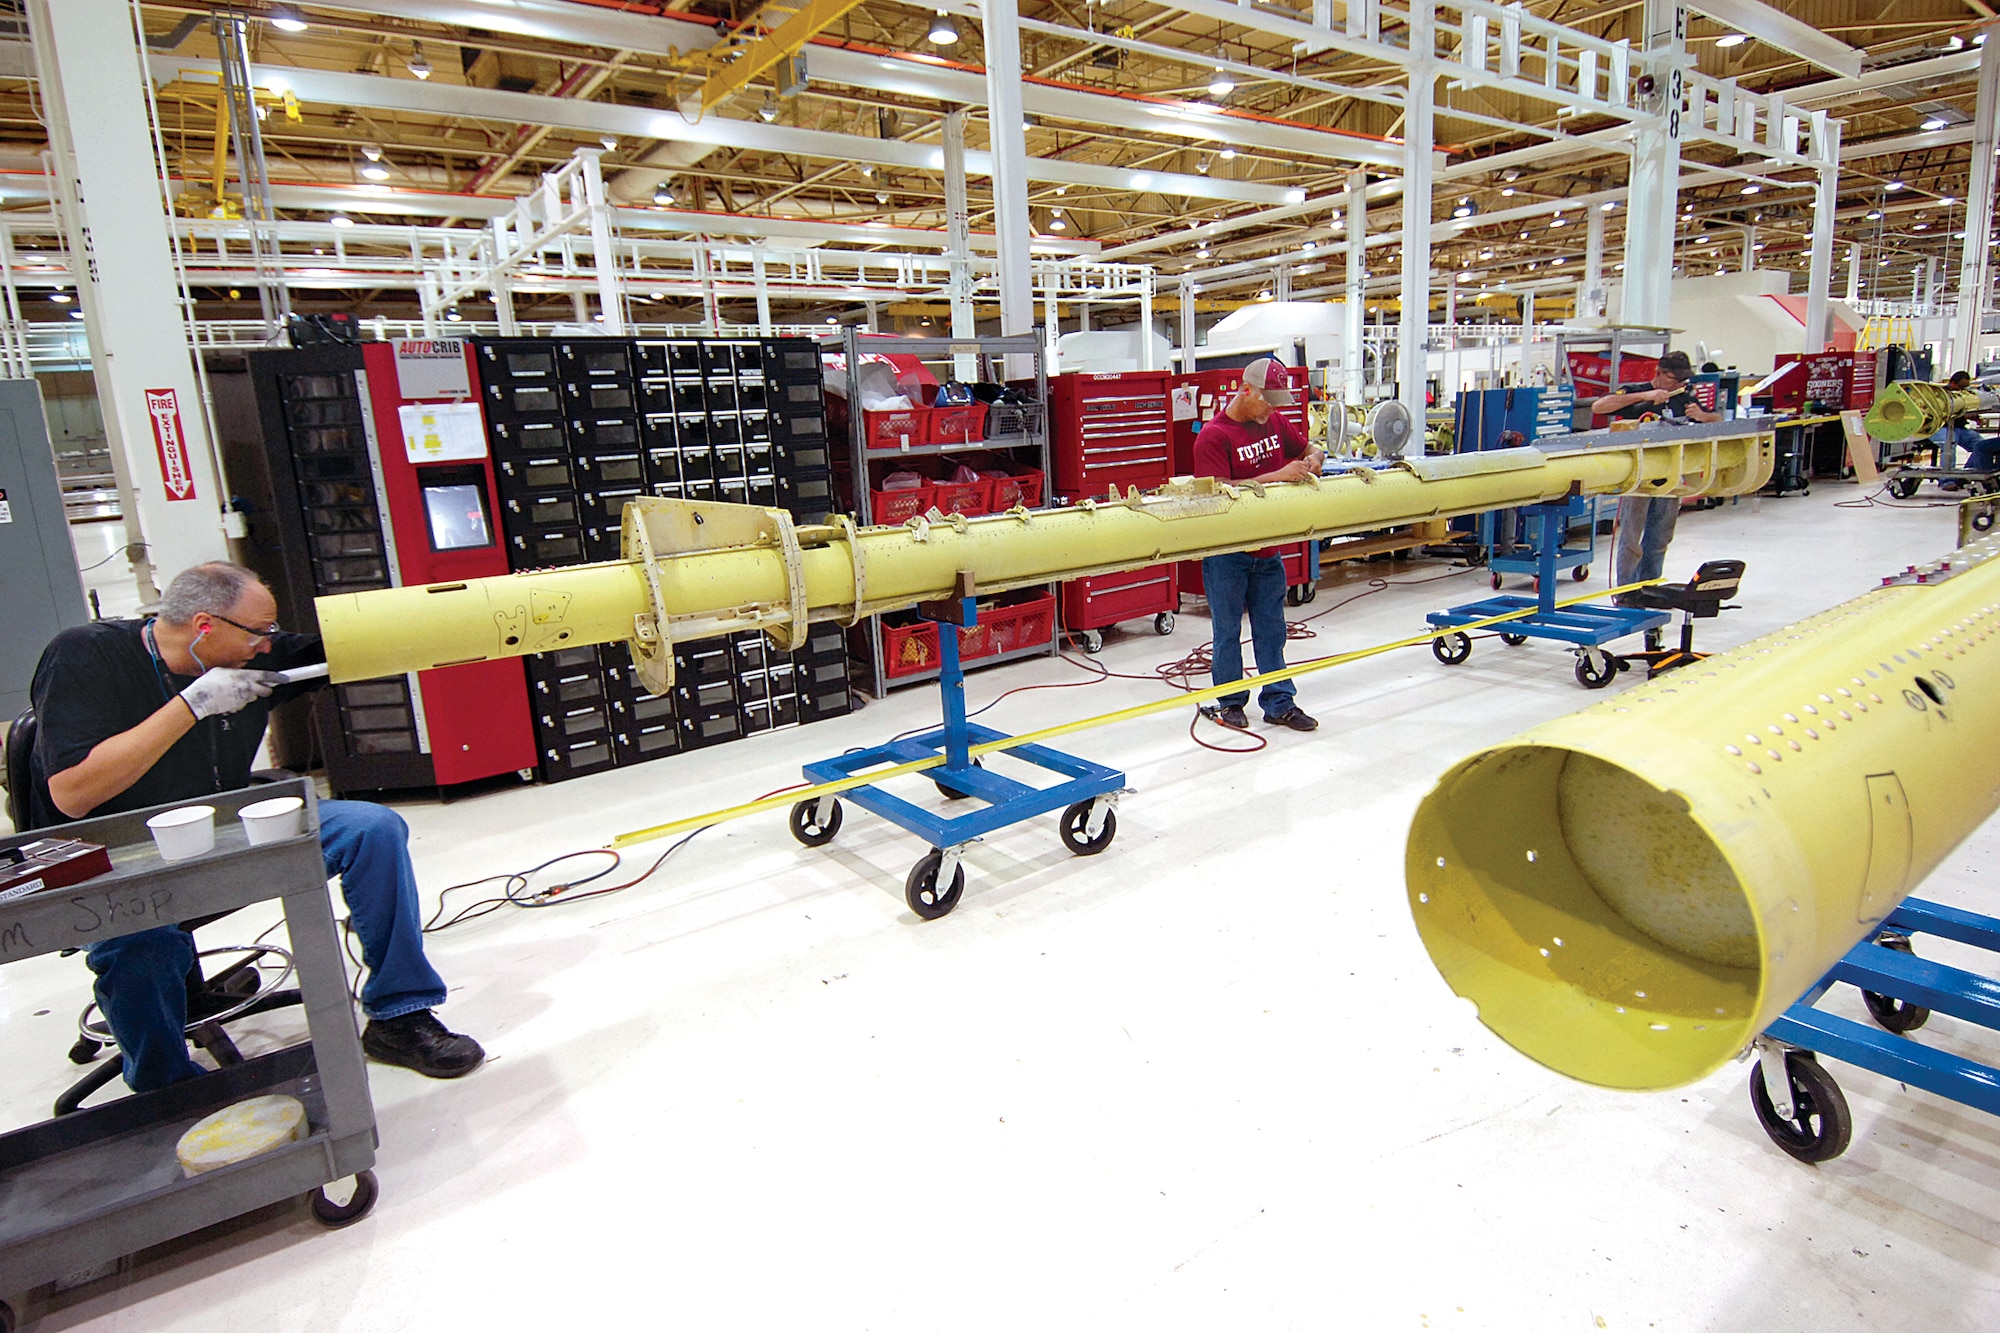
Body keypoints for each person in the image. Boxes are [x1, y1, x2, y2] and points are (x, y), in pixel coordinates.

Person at [25, 561, 484, 1091]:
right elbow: (74, 794)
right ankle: (169, 1092)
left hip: (224, 828)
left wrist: (489, 610)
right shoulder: (84, 655)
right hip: (121, 854)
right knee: (140, 939)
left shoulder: (247, 651)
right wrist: (191, 705)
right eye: (259, 632)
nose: (268, 646)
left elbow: (369, 643)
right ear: (204, 626)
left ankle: (400, 1015)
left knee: (371, 830)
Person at [1189, 358, 1324, 733]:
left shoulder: (1276, 422)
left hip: (1267, 549)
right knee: (1227, 631)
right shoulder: (1214, 437)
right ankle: (1231, 702)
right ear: (1245, 390)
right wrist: (1278, 475)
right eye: (1268, 401)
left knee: (1272, 628)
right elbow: (1218, 496)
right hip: (1227, 553)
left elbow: (1307, 446)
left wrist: (1315, 458)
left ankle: (1279, 701)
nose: (1273, 409)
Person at [1590, 350, 1721, 601]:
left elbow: (1718, 418)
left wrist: (1703, 417)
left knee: (1660, 536)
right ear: (1658, 374)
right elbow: (1599, 405)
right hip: (1639, 478)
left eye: (1683, 380)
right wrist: (1646, 396)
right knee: (1631, 537)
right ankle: (1626, 592)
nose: (1680, 385)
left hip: (1670, 478)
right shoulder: (1636, 392)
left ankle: (1650, 587)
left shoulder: (1684, 397)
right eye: (1674, 379)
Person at [1932, 371, 1997, 474]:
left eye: (1966, 387)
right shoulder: (1939, 396)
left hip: (1959, 428)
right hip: (1940, 427)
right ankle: (1947, 480)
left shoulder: (1963, 396)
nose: (1963, 390)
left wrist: (1973, 417)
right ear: (1952, 383)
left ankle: (1964, 475)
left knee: (1980, 445)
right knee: (1949, 444)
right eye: (1961, 386)